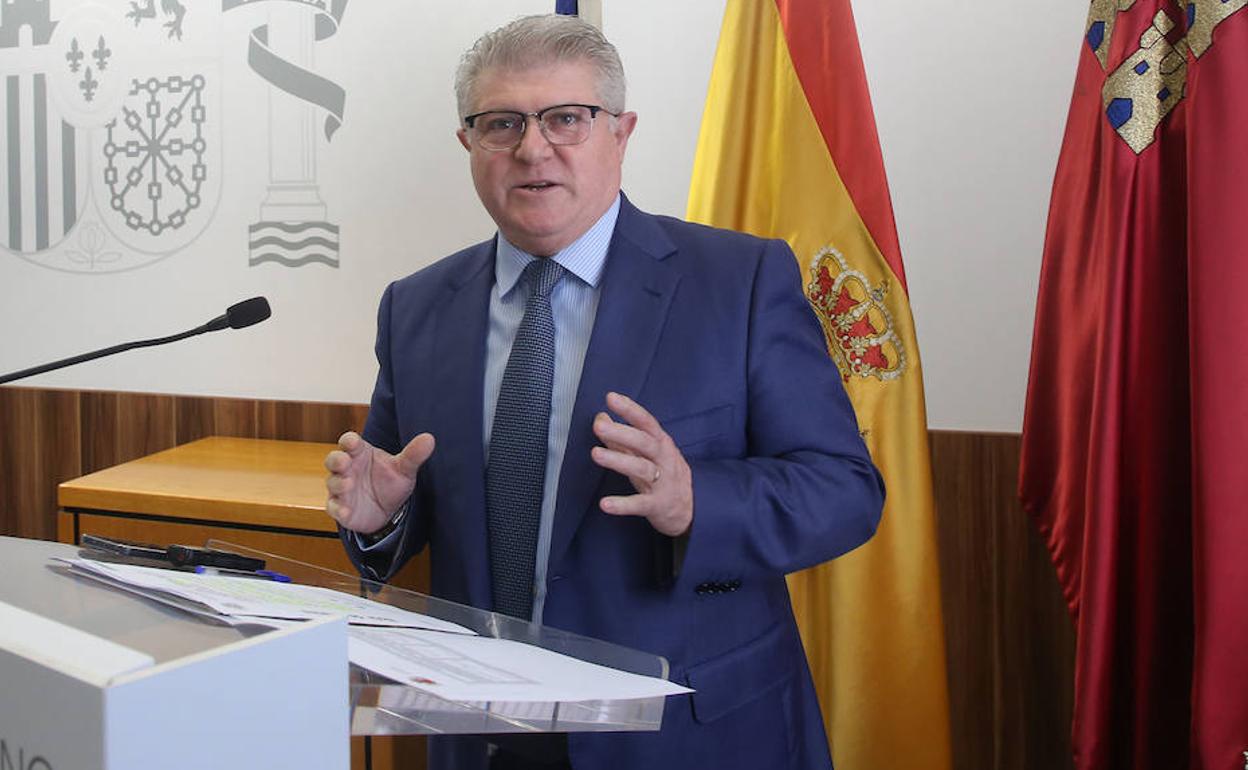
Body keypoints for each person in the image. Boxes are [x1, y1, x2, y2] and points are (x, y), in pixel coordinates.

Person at [325, 14, 884, 770]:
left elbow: (845, 491)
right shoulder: (416, 306)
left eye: (567, 119)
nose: (532, 148)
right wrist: (382, 521)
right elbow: (417, 494)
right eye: (502, 124)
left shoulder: (738, 282)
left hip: (686, 732)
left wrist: (696, 502)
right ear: (469, 145)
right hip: (484, 732)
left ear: (620, 134)